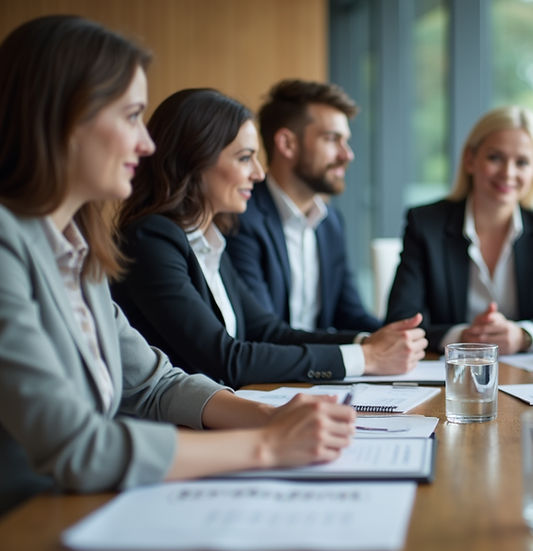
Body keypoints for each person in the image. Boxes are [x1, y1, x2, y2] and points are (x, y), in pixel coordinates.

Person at [0, 15, 356, 516]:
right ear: (62, 118)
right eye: (130, 117)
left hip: (84, 507)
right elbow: (77, 447)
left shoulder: (82, 251)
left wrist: (264, 417)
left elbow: (153, 384)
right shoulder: (8, 246)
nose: (146, 144)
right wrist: (268, 446)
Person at [111, 88, 427, 388]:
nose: (259, 173)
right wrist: (364, 357)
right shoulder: (151, 239)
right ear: (196, 160)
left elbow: (268, 331)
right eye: (245, 158)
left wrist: (366, 344)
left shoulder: (207, 240)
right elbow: (225, 358)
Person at [385, 106, 533, 355]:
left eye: (522, 162)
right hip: (449, 375)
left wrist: (524, 335)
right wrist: (462, 337)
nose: (508, 172)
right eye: (495, 157)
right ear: (470, 160)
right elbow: (400, 321)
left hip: (526, 378)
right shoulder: (425, 223)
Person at [225, 79, 381, 336]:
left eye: (346, 141)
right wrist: (362, 347)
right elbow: (263, 333)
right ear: (287, 144)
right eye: (332, 139)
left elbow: (351, 315)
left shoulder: (331, 221)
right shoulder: (240, 217)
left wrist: (396, 336)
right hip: (272, 373)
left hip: (320, 372)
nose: (347, 154)